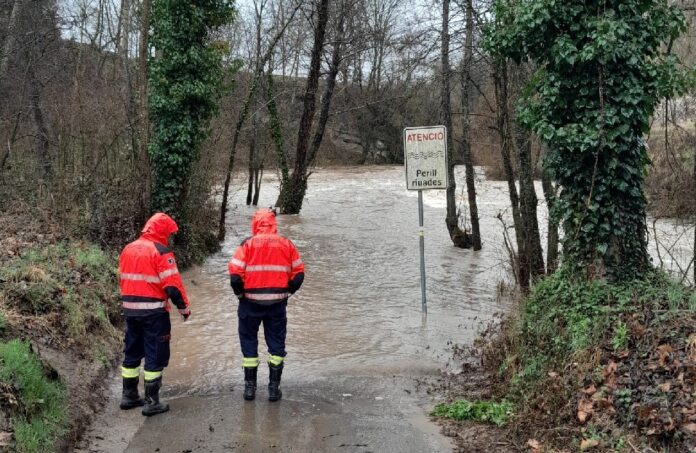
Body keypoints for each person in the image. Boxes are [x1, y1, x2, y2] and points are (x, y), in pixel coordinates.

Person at [118, 212, 191, 416]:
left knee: (132, 351)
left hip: (130, 310)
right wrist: (184, 308)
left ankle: (129, 396)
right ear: (162, 232)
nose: (170, 237)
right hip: (153, 312)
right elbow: (173, 286)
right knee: (155, 354)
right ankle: (151, 401)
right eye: (169, 233)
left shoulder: (128, 248)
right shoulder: (161, 252)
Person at [228, 208, 305, 402]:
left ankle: (250, 389)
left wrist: (240, 295)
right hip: (277, 304)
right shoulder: (286, 244)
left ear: (255, 224)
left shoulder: (246, 245)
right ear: (273, 224)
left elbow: (235, 276)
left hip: (249, 303)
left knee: (248, 343)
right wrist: (287, 292)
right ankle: (273, 388)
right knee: (276, 345)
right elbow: (299, 274)